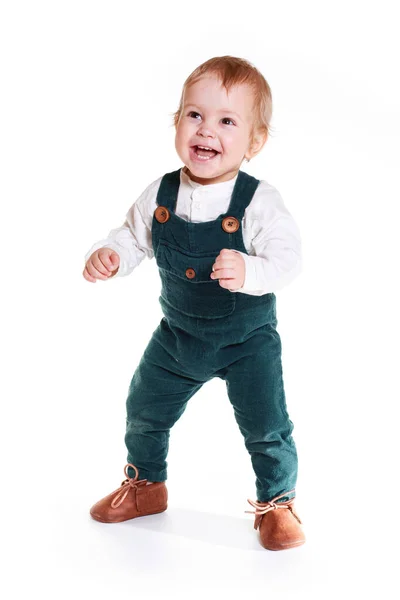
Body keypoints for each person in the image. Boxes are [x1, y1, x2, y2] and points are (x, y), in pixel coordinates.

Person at [83, 56, 305, 551]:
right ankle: (146, 485)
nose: (207, 130)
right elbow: (133, 237)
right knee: (143, 408)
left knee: (267, 426)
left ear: (254, 141)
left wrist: (251, 271)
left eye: (227, 121)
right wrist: (111, 255)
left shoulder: (258, 200)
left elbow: (288, 259)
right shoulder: (160, 192)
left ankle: (278, 503)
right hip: (178, 338)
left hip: (247, 343)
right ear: (177, 121)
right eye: (194, 115)